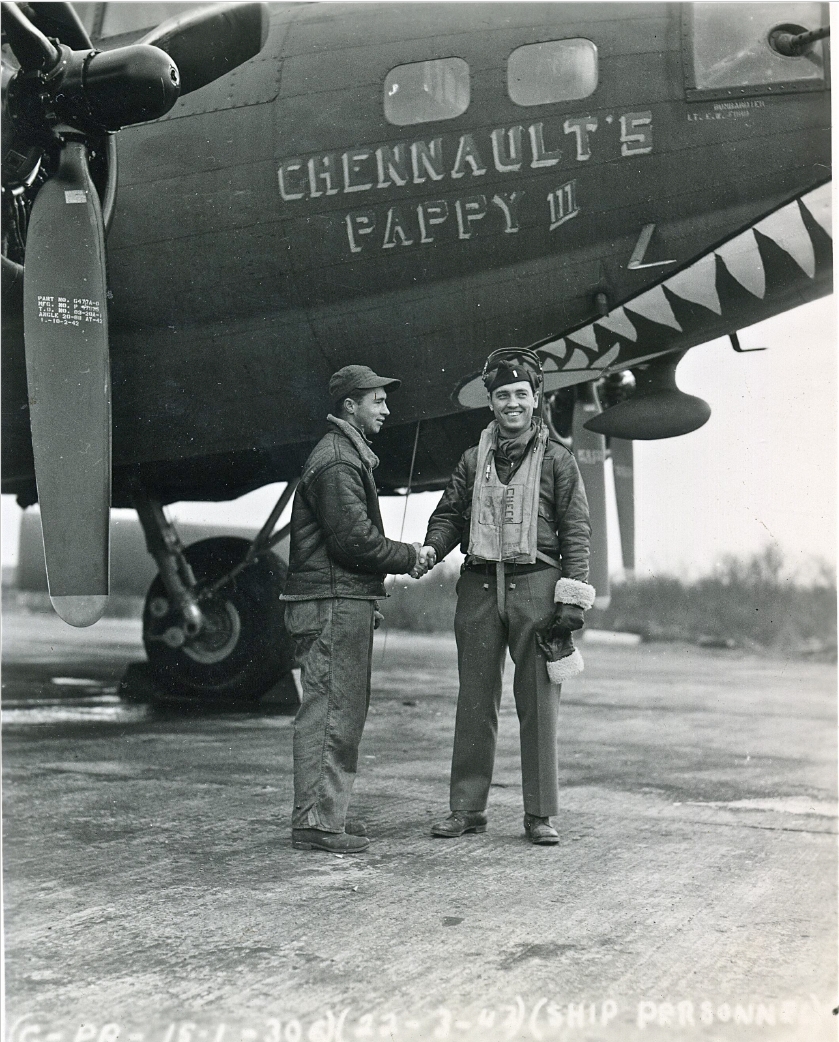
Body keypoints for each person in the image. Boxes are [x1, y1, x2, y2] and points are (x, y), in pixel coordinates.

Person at [419, 348, 594, 845]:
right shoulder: (473, 459)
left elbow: (576, 529)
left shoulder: (559, 460)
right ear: (490, 403)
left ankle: (540, 815)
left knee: (538, 702)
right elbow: (450, 514)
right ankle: (466, 809)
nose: (512, 403)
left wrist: (571, 603)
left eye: (521, 394)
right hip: (477, 586)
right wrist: (433, 548)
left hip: (537, 585)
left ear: (536, 400)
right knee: (473, 700)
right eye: (502, 396)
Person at [281, 365, 428, 853]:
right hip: (332, 603)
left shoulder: (344, 455)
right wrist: (409, 556)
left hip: (338, 600)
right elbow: (354, 542)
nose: (386, 410)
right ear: (351, 406)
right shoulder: (340, 461)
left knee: (339, 712)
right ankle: (318, 824)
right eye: (378, 401)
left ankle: (328, 815)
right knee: (331, 713)